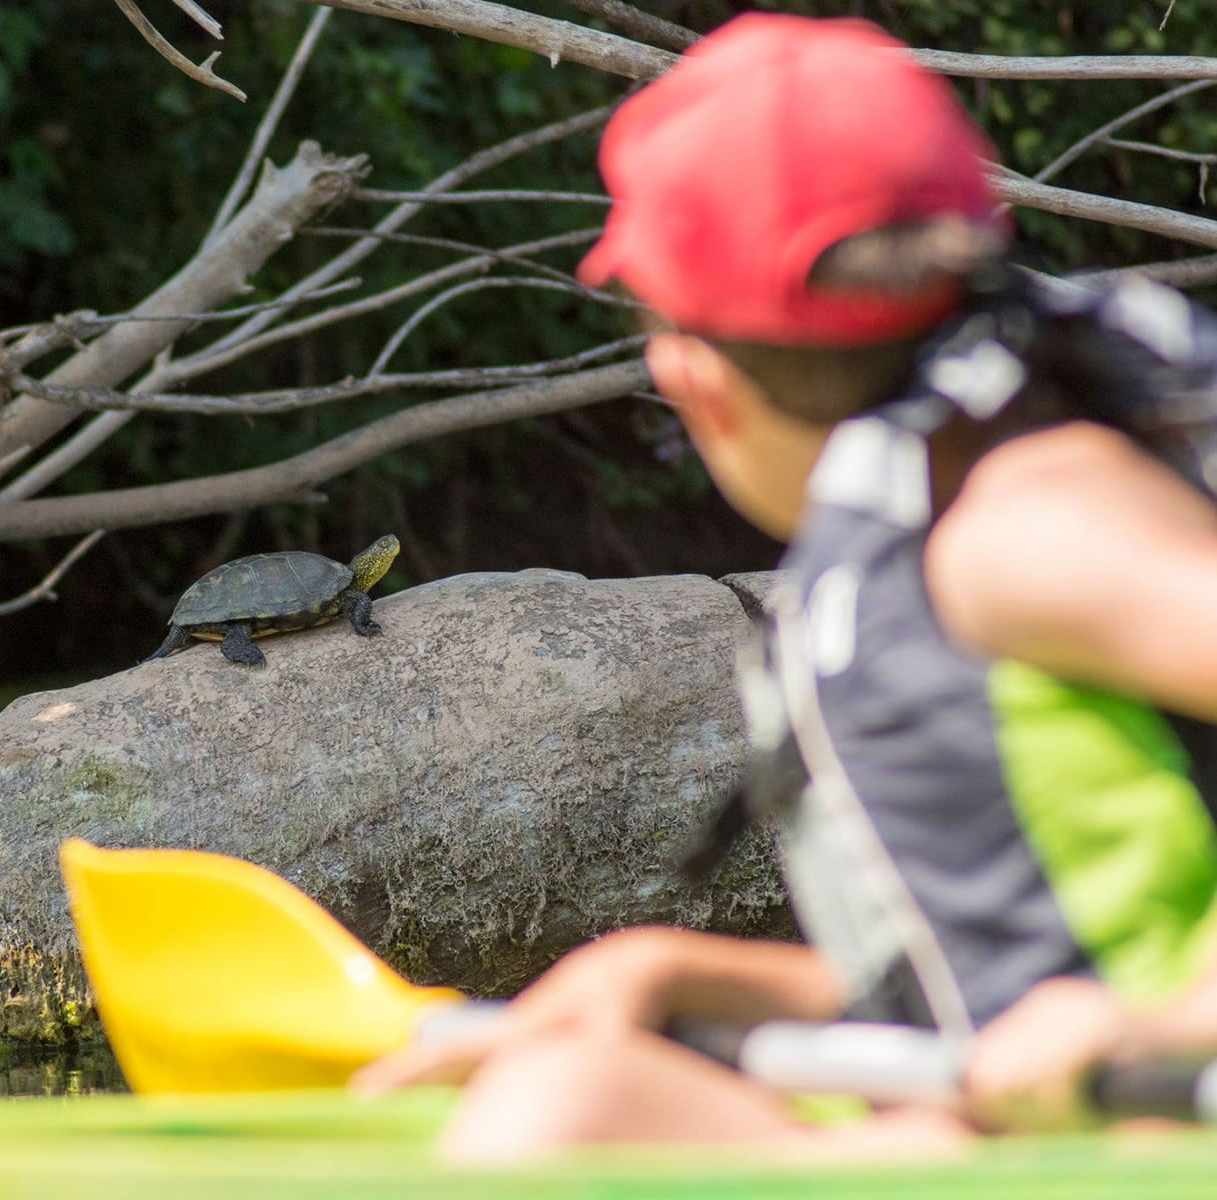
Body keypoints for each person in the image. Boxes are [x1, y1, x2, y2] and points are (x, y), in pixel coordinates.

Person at [352, 12, 1217, 1161]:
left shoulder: (1019, 529)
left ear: (691, 379)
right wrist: (677, 971)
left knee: (555, 1112)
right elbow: (993, 976)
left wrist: (1171, 1023)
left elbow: (1111, 1008)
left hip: (1144, 1152)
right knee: (580, 1091)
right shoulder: (980, 493)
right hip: (1056, 1139)